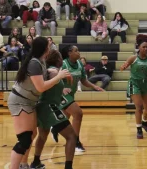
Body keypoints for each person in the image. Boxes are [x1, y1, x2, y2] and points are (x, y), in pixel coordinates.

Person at [7, 37, 71, 169]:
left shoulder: (40, 61)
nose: (50, 47)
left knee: (32, 135)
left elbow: (40, 75)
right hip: (19, 101)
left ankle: (23, 164)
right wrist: (59, 77)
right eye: (48, 45)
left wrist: (50, 72)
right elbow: (41, 87)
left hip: (29, 101)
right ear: (44, 48)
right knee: (24, 139)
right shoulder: (34, 63)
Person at [51, 45, 104, 152]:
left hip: (71, 94)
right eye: (76, 51)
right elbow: (53, 79)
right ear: (70, 53)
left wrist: (94, 86)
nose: (79, 52)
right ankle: (75, 142)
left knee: (66, 117)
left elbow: (84, 80)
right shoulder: (63, 64)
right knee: (78, 113)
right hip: (61, 94)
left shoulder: (79, 63)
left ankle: (56, 127)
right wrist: (61, 89)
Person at [30, 50, 76, 169]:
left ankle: (35, 162)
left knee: (43, 135)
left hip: (43, 107)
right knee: (71, 136)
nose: (62, 60)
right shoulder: (53, 72)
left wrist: (62, 89)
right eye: (61, 58)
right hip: (50, 107)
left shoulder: (50, 71)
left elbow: (49, 85)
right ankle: (68, 167)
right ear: (58, 60)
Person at [120, 34, 147, 139]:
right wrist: (123, 66)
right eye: (144, 47)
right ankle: (139, 129)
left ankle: (145, 122)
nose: (146, 48)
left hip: (145, 84)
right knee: (139, 106)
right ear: (139, 47)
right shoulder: (133, 58)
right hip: (134, 83)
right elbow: (122, 67)